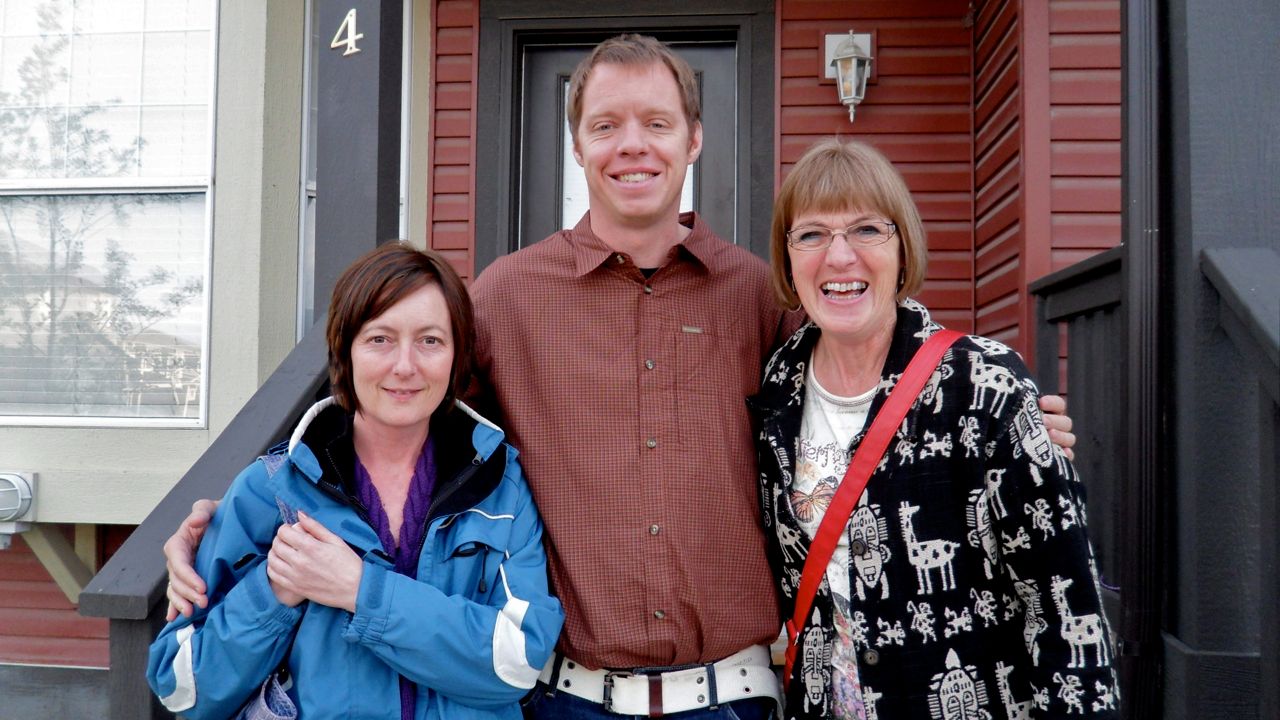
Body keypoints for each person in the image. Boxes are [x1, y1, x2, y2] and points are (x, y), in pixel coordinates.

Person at [162, 35, 1076, 719]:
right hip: (565, 699)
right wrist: (226, 532)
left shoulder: (760, 296)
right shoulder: (507, 299)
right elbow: (405, 419)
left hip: (738, 697)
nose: (631, 145)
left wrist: (999, 425)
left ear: (694, 139)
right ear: (580, 145)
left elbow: (860, 384)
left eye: (655, 123)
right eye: (606, 125)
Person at [750, 138, 1118, 719]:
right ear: (789, 259)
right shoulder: (777, 390)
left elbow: (1065, 607)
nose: (840, 257)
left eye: (868, 230)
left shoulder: (983, 385)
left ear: (903, 249)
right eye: (812, 234)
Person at [146, 243, 564, 720]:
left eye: (430, 340)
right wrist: (275, 591)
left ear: (456, 357)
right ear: (344, 349)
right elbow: (185, 690)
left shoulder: (499, 484)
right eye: (379, 339)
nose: (405, 366)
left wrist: (360, 591)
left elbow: (516, 664)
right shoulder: (270, 492)